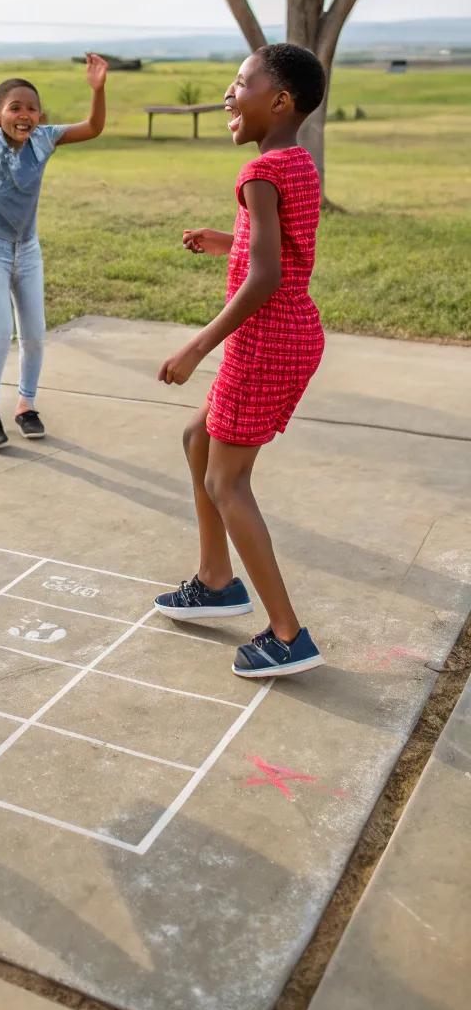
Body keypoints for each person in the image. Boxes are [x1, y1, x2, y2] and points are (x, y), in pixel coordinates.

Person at [155, 43, 327, 679]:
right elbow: (282, 253)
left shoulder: (259, 173)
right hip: (291, 335)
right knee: (197, 437)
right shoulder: (296, 163)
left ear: (279, 101)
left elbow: (265, 278)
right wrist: (227, 241)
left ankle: (287, 635)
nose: (229, 93)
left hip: (266, 341)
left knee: (227, 483)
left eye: (241, 83)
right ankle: (215, 580)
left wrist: (196, 345)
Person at [0, 56, 108, 450]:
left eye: (32, 108)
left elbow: (93, 127)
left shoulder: (44, 138)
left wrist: (98, 89)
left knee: (35, 335)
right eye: (15, 108)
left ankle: (26, 405)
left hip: (27, 246)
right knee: (1, 330)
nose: (25, 115)